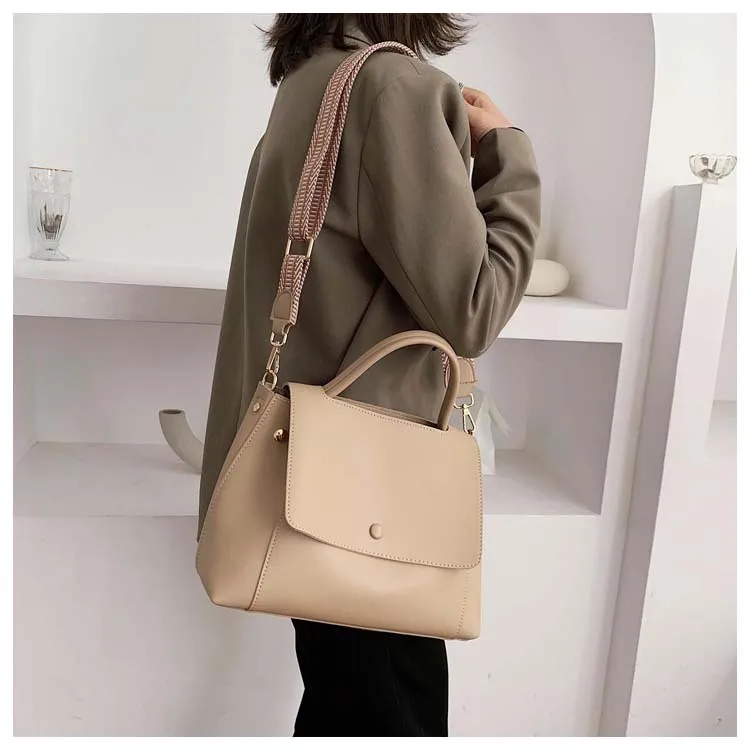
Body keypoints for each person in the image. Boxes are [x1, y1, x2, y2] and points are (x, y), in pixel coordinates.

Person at [198, 13, 541, 738]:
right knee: (387, 712)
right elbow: (474, 309)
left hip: (306, 475)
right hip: (370, 500)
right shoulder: (393, 88)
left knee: (344, 702)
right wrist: (507, 154)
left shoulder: (309, 82)